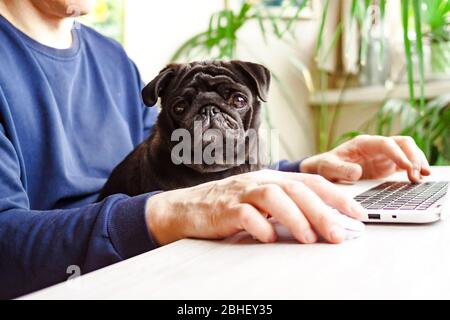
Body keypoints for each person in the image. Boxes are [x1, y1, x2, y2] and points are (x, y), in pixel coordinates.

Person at [0, 0, 431, 299]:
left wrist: (304, 169)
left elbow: (179, 168)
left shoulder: (111, 58)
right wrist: (169, 211)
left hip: (164, 268)